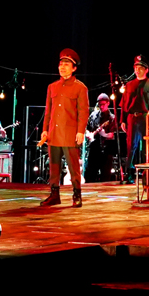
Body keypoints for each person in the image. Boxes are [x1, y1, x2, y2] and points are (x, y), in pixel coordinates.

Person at [39, 48, 88, 208]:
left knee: (73, 166)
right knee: (54, 166)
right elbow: (48, 111)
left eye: (66, 64)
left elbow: (83, 112)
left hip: (69, 133)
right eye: (61, 64)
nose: (62, 67)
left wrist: (80, 131)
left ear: (74, 68)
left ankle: (77, 193)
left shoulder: (80, 88)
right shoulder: (52, 87)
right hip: (54, 132)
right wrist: (45, 130)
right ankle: (54, 195)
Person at [121, 54, 149, 183]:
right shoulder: (129, 85)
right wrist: (123, 120)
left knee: (147, 147)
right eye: (136, 68)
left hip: (145, 117)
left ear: (146, 69)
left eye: (140, 68)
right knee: (130, 146)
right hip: (132, 118)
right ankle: (129, 173)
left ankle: (148, 174)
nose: (137, 70)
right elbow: (124, 104)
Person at [84, 93, 117, 182]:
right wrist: (89, 134)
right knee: (90, 175)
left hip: (106, 150)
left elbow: (111, 135)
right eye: (99, 104)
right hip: (94, 149)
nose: (101, 107)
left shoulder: (112, 118)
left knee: (105, 177)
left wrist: (104, 134)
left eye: (103, 104)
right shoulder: (93, 115)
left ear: (108, 103)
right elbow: (87, 129)